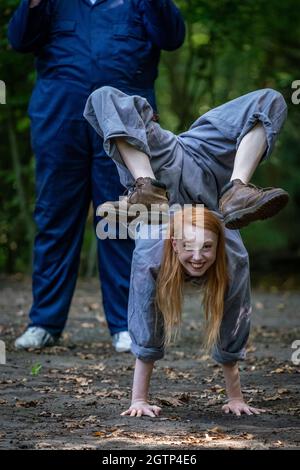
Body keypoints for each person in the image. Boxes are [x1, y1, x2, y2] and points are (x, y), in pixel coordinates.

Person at [82, 85, 289, 415]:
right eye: (193, 250)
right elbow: (147, 320)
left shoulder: (205, 246)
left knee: (272, 101)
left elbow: (234, 316)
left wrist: (235, 396)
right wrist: (138, 400)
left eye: (206, 249)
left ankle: (237, 190)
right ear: (176, 245)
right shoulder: (184, 248)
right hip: (176, 177)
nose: (198, 257)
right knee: (102, 96)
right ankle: (146, 183)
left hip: (190, 175)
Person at [8, 0, 185, 352]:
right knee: (54, 219)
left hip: (125, 127)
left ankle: (126, 324)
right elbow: (19, 40)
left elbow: (172, 37)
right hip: (59, 120)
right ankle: (44, 323)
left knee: (124, 217)